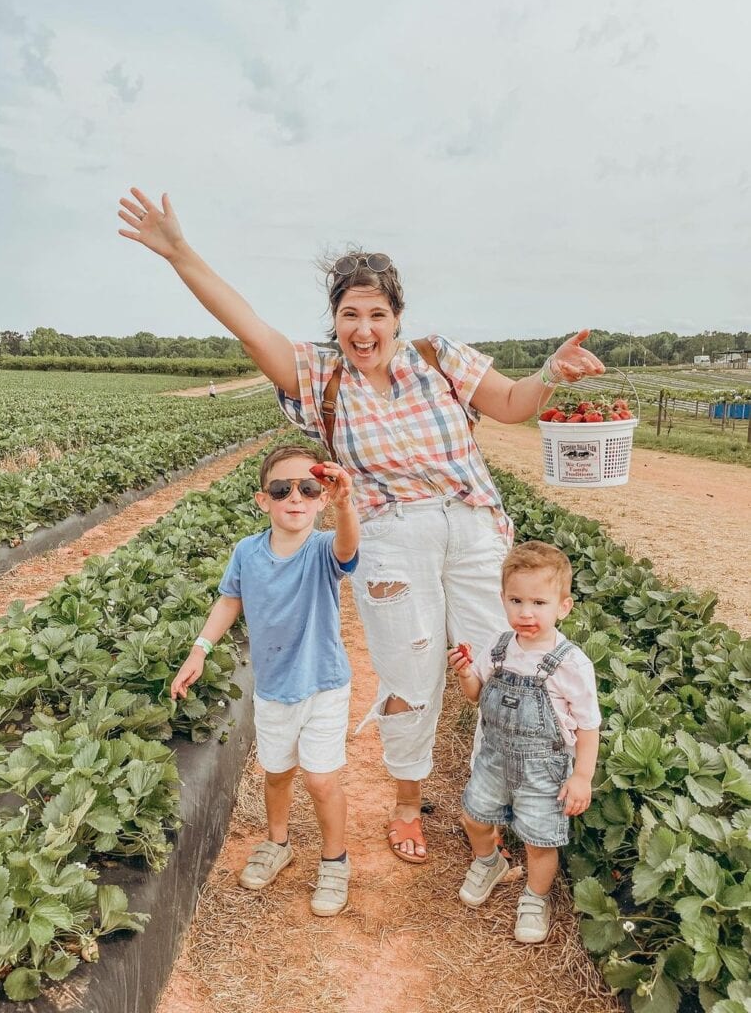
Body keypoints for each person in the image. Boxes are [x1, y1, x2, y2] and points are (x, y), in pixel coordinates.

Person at [118, 187, 605, 864]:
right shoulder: (320, 377)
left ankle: (507, 799)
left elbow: (516, 404)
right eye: (350, 314)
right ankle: (407, 803)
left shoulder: (440, 359)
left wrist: (549, 373)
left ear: (397, 317)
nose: (364, 328)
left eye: (377, 313)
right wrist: (179, 253)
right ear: (335, 319)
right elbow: (248, 325)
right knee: (409, 677)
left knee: (508, 666)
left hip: (474, 532)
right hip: (389, 537)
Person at [170, 444, 360, 916]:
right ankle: (279, 843)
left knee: (319, 779)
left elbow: (348, 548)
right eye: (282, 489)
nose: (294, 497)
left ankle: (335, 860)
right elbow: (229, 601)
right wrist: (200, 650)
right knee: (277, 774)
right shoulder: (247, 552)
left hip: (323, 684)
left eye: (308, 488)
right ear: (263, 500)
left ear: (321, 498)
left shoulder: (321, 550)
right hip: (274, 686)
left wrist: (346, 505)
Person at [447, 541, 601, 943]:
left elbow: (588, 726)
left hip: (543, 768)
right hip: (495, 758)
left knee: (538, 840)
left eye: (539, 602)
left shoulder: (571, 663)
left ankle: (535, 896)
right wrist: (466, 673)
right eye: (516, 600)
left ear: (563, 607)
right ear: (502, 599)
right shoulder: (499, 647)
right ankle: (489, 861)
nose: (526, 612)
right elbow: (476, 694)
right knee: (475, 818)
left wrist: (582, 776)